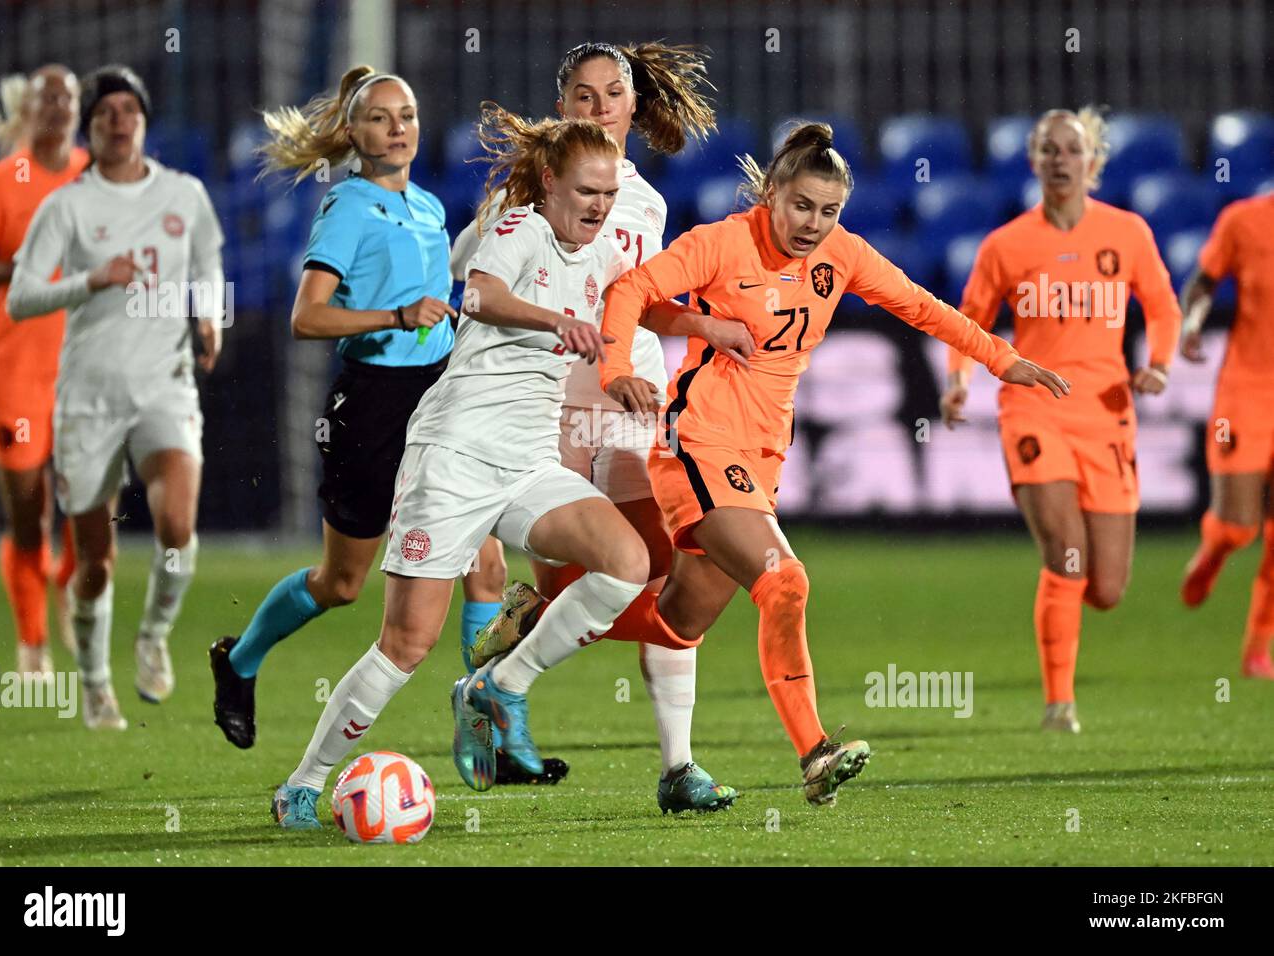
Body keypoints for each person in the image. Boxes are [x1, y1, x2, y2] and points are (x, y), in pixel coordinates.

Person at [476, 121, 1068, 807]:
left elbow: (922, 307)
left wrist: (1002, 360)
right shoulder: (721, 243)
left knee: (678, 621)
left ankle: (541, 605)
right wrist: (614, 371)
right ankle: (815, 753)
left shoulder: (841, 255)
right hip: (698, 439)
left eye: (829, 210)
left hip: (761, 456)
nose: (814, 224)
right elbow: (628, 293)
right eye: (802, 206)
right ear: (771, 195)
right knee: (784, 582)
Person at [271, 108, 666, 829]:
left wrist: (625, 378)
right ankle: (305, 780)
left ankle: (498, 684)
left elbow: (631, 322)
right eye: (586, 193)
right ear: (549, 183)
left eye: (609, 194)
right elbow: (478, 296)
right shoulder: (520, 229)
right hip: (453, 455)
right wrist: (554, 322)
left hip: (526, 461)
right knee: (406, 644)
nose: (599, 208)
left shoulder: (605, 255)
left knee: (626, 562)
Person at [450, 41, 750, 812]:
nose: (597, 108)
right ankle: (505, 671)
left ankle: (678, 765)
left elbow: (640, 299)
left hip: (628, 403)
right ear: (563, 108)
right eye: (582, 96)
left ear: (633, 106)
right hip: (546, 405)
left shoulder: (644, 203)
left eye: (611, 94)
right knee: (582, 581)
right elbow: (467, 270)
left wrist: (701, 325)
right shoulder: (531, 190)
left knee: (661, 570)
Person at [208, 65, 506, 751]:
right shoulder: (345, 209)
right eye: (381, 117)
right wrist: (400, 315)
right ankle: (240, 659)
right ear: (354, 132)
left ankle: (488, 731)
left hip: (438, 396)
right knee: (342, 583)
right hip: (371, 404)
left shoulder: (430, 208)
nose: (398, 127)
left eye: (407, 115)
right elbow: (306, 318)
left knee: (483, 559)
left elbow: (436, 308)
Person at [941, 107, 1182, 731]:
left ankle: (1062, 687)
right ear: (1033, 161)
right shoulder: (1007, 244)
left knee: (1105, 588)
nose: (1058, 158)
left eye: (1070, 149)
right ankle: (1059, 704)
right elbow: (969, 321)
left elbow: (1163, 307)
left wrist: (1157, 363)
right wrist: (959, 382)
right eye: (1047, 149)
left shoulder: (1128, 234)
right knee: (1066, 553)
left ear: (1093, 163)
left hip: (1107, 416)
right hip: (1033, 409)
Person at [7, 64, 226, 729]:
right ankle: (96, 682)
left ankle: (154, 634)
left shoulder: (184, 195)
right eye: (105, 111)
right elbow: (20, 297)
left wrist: (212, 315)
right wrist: (91, 278)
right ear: (90, 125)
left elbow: (210, 264)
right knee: (95, 562)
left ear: (144, 120)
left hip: (164, 385)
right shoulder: (67, 206)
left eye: (129, 108)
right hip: (89, 397)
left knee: (176, 528)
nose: (118, 119)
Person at [0, 65, 88, 678]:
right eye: (49, 96)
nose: (60, 106)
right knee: (30, 512)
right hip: (16, 372)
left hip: (83, 374)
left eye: (69, 97)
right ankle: (32, 643)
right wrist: (27, 268)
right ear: (31, 108)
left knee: (86, 498)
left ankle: (69, 586)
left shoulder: (92, 177)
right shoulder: (1, 183)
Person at [1177, 188, 1274, 679]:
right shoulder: (1245, 220)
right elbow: (1204, 281)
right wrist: (1192, 323)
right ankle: (1214, 552)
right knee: (1240, 526)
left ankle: (1258, 648)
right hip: (1249, 389)